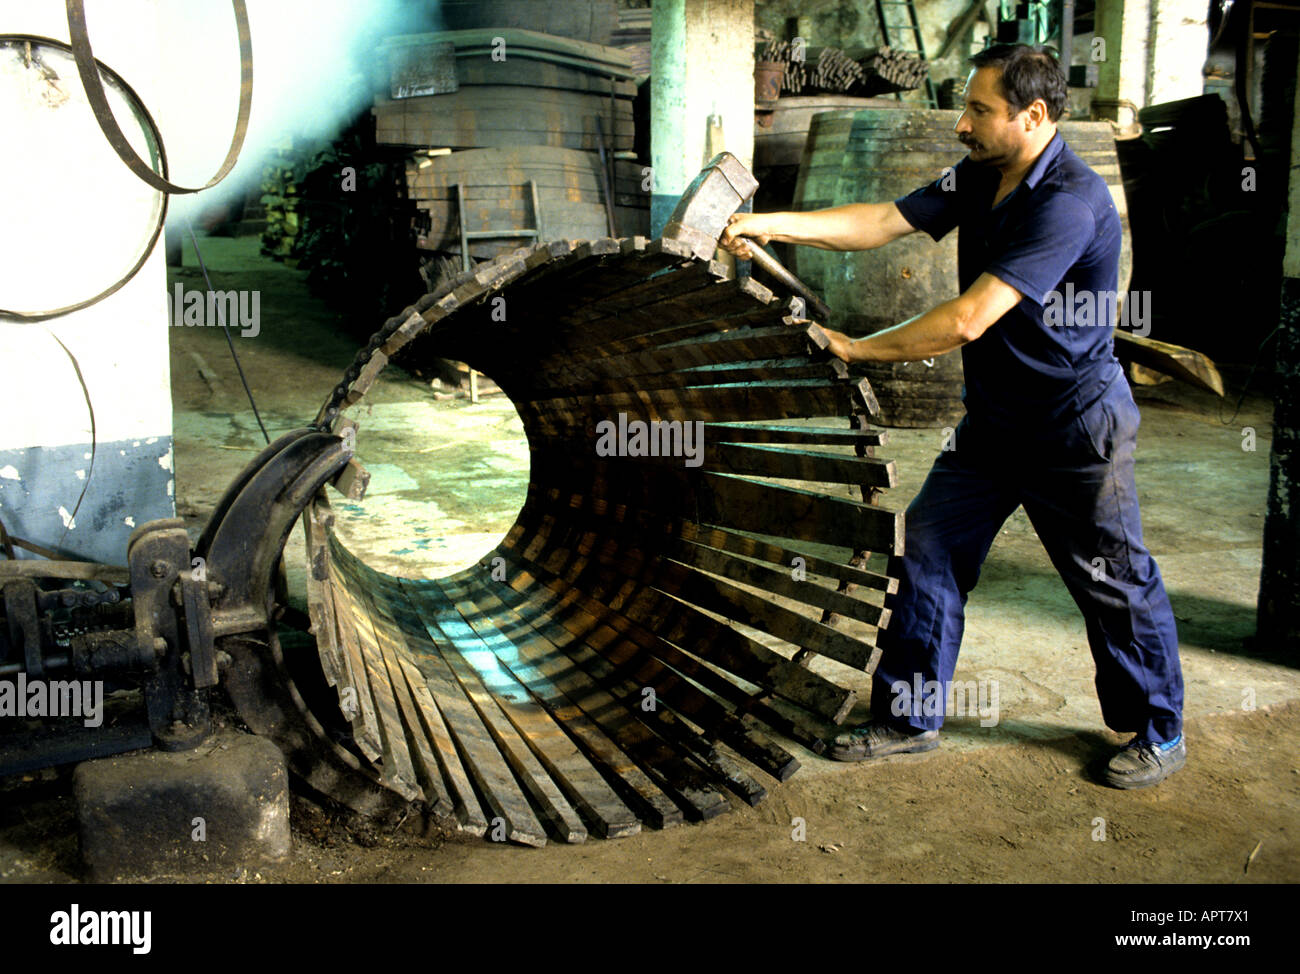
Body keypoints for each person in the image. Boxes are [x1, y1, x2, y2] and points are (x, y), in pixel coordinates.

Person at [719, 44, 1185, 789]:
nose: (962, 124)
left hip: (1074, 429)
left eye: (980, 110)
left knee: (1111, 577)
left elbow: (968, 320)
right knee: (928, 550)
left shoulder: (1068, 201)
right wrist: (770, 224)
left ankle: (1158, 729)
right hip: (997, 424)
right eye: (966, 107)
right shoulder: (978, 175)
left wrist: (854, 349)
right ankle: (908, 720)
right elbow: (880, 219)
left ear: (1033, 117)